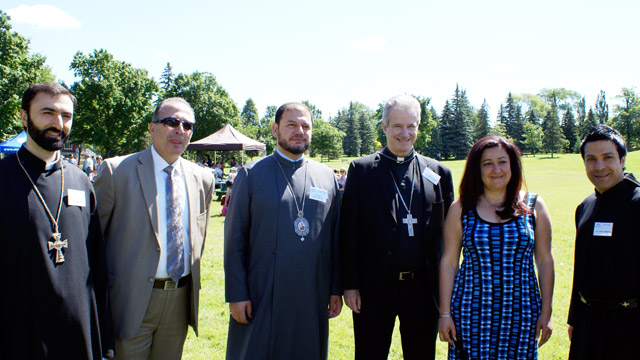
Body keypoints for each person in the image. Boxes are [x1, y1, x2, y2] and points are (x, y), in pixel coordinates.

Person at [94, 97, 215, 359]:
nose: (180, 130)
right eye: (171, 122)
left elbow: (199, 238)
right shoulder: (116, 172)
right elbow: (93, 243)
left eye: (187, 125)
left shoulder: (203, 178)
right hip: (129, 301)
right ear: (152, 128)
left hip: (179, 300)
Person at [0, 82, 114, 359]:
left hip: (75, 330)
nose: (58, 123)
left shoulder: (80, 181)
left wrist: (104, 339)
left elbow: (96, 264)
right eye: (47, 113)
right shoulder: (3, 177)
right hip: (17, 330)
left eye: (66, 116)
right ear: (24, 117)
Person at [224, 102, 342, 360]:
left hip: (312, 292)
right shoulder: (252, 174)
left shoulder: (327, 178)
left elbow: (335, 241)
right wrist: (236, 293)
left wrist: (335, 289)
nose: (299, 130)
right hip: (261, 292)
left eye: (305, 126)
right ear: (276, 129)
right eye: (291, 125)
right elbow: (234, 240)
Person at [340, 94, 454, 359]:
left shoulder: (439, 173)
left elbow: (450, 239)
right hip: (374, 287)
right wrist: (350, 284)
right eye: (397, 126)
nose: (405, 133)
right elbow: (349, 232)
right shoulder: (362, 170)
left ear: (418, 127)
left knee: (421, 354)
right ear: (384, 127)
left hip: (424, 288)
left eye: (411, 126)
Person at [438, 136, 554, 360]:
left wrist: (546, 311)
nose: (496, 169)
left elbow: (545, 261)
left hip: (522, 311)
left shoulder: (533, 205)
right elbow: (449, 263)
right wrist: (444, 313)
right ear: (477, 169)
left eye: (502, 161)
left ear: (512, 165)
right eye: (487, 163)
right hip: (472, 311)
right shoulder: (461, 208)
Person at [567, 125, 640, 359]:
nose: (599, 166)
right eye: (591, 159)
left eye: (607, 157)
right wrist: (574, 318)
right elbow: (580, 269)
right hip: (589, 324)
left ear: (622, 159)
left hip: (631, 326)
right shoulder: (585, 207)